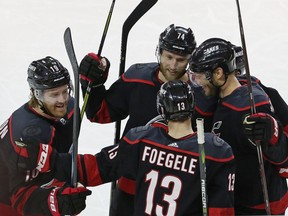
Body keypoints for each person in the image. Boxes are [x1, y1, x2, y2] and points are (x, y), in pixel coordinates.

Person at [23, 80, 236, 215]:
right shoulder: (216, 152)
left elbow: (95, 168)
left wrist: (47, 157)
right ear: (191, 108)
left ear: (162, 109)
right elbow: (221, 210)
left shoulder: (141, 140)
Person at [78, 24, 204, 215]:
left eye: (180, 60)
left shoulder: (201, 91)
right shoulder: (137, 77)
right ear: (159, 52)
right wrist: (93, 83)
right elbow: (99, 113)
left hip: (179, 192)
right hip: (131, 186)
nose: (173, 65)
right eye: (168, 57)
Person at [190, 38, 288, 215]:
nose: (197, 83)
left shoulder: (250, 106)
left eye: (200, 77)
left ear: (219, 73)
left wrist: (272, 135)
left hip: (254, 207)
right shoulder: (234, 90)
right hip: (231, 200)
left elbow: (284, 160)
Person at [0, 56, 91, 215]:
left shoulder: (69, 106)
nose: (62, 100)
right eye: (54, 94)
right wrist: (57, 201)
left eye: (65, 91)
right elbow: (20, 197)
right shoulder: (30, 133)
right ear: (37, 94)